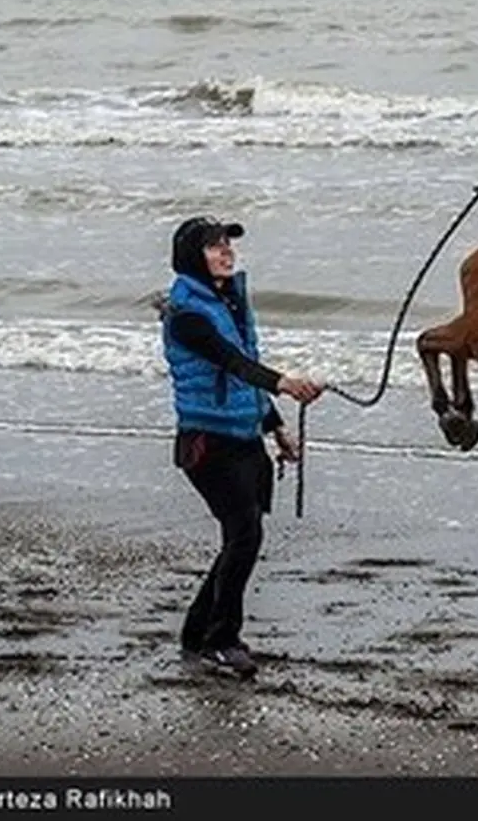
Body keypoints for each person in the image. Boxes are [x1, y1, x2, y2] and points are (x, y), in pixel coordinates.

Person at [159, 215, 324, 679]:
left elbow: (243, 371)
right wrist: (286, 383)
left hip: (245, 436)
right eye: (214, 246)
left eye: (228, 244)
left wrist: (275, 427)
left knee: (241, 537)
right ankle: (221, 640)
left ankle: (198, 633)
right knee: (245, 534)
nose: (227, 252)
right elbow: (232, 363)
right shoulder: (187, 314)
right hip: (206, 442)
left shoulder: (228, 301)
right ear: (193, 257)